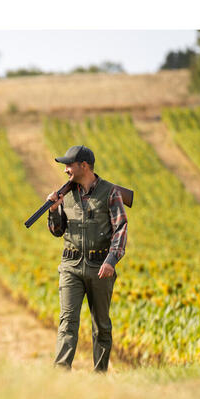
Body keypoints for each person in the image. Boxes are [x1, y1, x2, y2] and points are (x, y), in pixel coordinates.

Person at [45, 144, 128, 372]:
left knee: (101, 325)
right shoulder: (66, 193)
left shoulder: (110, 192)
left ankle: (99, 375)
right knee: (67, 322)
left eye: (69, 165)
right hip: (71, 266)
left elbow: (120, 228)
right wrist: (54, 211)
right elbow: (57, 231)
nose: (65, 170)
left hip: (99, 266)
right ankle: (60, 373)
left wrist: (111, 260)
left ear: (84, 166)